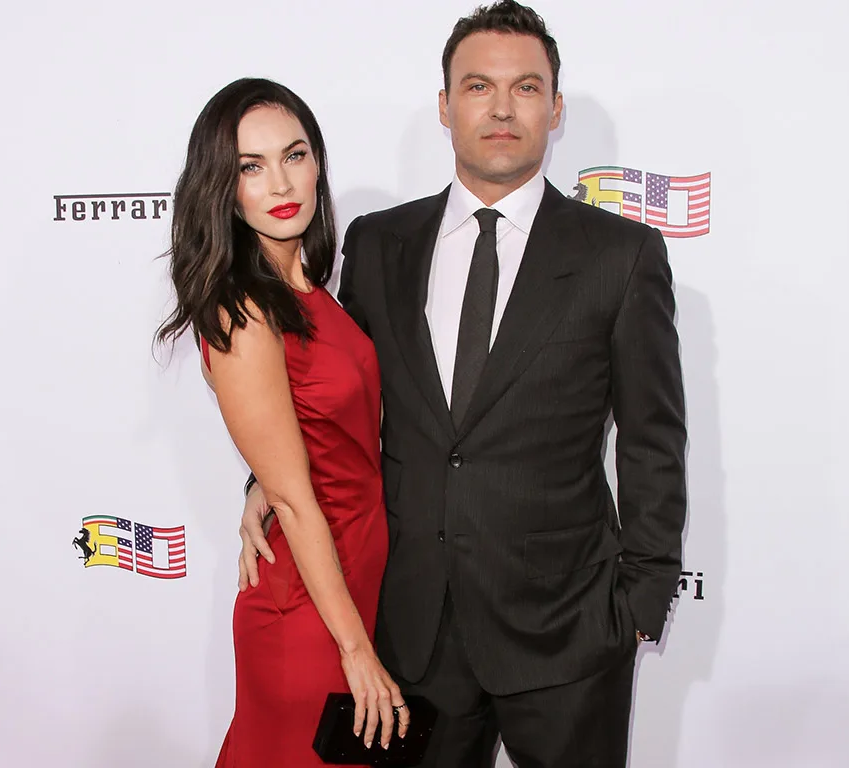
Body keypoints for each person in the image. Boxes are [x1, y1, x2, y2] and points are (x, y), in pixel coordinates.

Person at [239, 2, 688, 766]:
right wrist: (262, 477)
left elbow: (654, 440)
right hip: (412, 634)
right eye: (478, 86)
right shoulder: (380, 243)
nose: (503, 107)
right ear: (446, 107)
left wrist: (641, 603)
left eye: (525, 86)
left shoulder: (623, 255)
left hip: (569, 636)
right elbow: (335, 392)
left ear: (555, 107)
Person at [156, 77, 409, 767]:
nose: (280, 182)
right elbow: (298, 498)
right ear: (224, 187)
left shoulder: (309, 290)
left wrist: (256, 484)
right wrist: (353, 648)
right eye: (250, 167)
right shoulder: (239, 310)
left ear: (318, 161)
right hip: (307, 611)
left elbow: (322, 433)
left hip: (354, 581)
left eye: (294, 155)